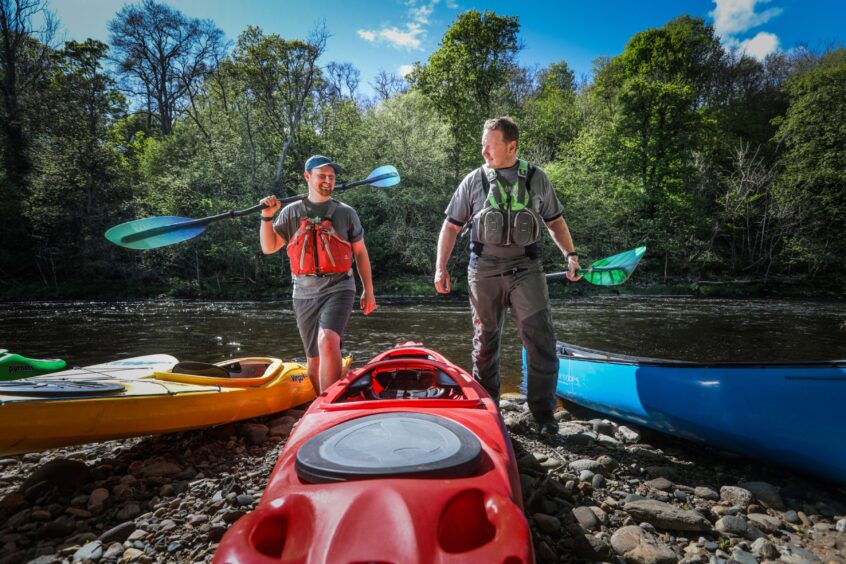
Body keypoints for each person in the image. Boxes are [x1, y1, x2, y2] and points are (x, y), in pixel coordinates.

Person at [434, 117, 581, 434]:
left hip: (527, 269)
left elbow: (555, 221)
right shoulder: (473, 180)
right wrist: (440, 267)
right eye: (482, 143)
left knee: (541, 340)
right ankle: (489, 412)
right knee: (485, 341)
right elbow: (450, 226)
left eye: (490, 144)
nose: (484, 150)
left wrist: (570, 256)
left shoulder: (537, 179)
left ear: (511, 146)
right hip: (483, 270)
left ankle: (543, 415)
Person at [260, 155, 376, 393]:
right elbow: (269, 247)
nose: (327, 181)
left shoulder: (346, 213)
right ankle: (320, 401)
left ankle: (328, 409)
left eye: (331, 177)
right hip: (303, 292)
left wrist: (368, 290)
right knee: (313, 359)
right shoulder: (292, 213)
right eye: (321, 176)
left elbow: (361, 254)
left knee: (328, 341)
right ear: (307, 177)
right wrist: (266, 217)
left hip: (339, 287)